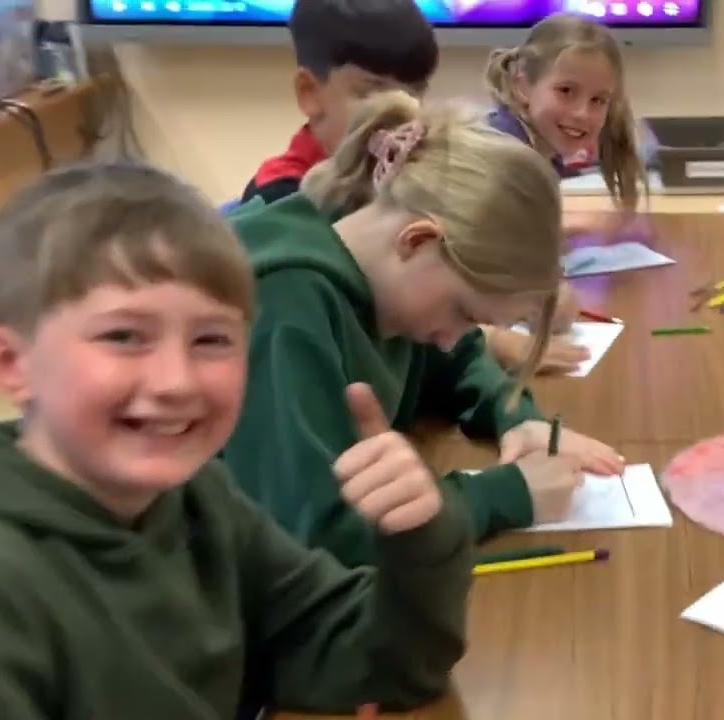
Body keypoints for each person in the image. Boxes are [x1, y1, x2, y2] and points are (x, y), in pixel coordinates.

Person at [0, 162, 472, 717]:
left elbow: (369, 661)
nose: (176, 382)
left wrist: (422, 538)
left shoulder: (199, 497)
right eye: (124, 336)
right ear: (11, 363)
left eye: (211, 339)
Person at [222, 90, 625, 568]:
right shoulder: (285, 306)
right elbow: (313, 535)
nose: (458, 335)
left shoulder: (368, 260)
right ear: (418, 240)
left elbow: (455, 358)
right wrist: (503, 496)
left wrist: (514, 415)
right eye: (464, 312)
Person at [481, 12, 649, 372]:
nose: (582, 113)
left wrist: (556, 232)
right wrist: (532, 304)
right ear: (523, 85)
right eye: (566, 91)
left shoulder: (536, 148)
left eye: (598, 101)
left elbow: (500, 238)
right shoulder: (504, 160)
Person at [240, 0, 438, 206]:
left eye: (415, 93)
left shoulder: (423, 183)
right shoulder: (276, 200)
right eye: (374, 92)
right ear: (309, 92)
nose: (402, 114)